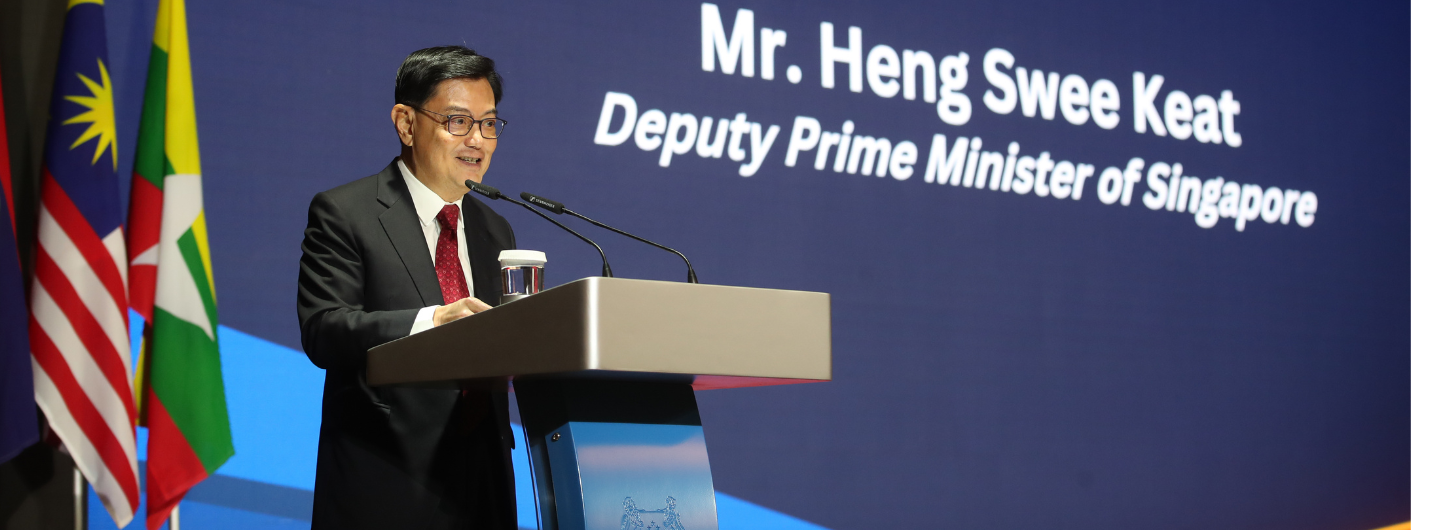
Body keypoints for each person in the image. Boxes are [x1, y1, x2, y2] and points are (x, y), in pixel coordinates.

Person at [297, 45, 517, 530]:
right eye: (458, 122)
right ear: (406, 123)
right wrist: (433, 322)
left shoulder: (494, 229)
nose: (477, 140)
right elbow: (325, 328)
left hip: (485, 487)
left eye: (489, 124)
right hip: (385, 481)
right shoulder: (346, 213)